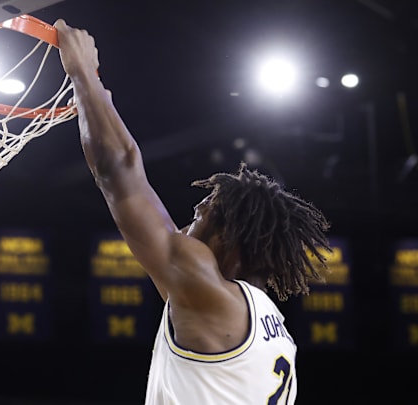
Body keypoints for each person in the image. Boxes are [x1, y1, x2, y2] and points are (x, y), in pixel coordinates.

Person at [54, 19, 332, 405]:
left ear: (229, 237)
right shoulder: (269, 326)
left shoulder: (211, 297)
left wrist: (83, 72)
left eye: (198, 217)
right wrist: (97, 99)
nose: (182, 229)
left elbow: (117, 172)